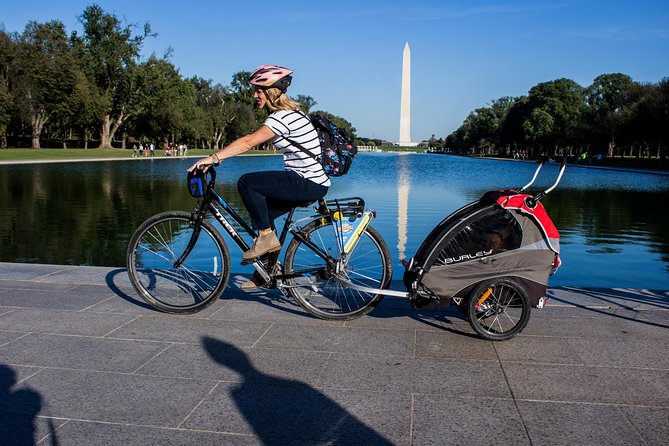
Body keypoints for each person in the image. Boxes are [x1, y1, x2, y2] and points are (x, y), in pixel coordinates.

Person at [188, 64, 330, 288]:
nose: (254, 95)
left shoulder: (281, 118)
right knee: (263, 216)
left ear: (271, 90)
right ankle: (269, 271)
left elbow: (247, 142)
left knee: (247, 183)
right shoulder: (291, 114)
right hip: (311, 182)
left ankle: (265, 239)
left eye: (258, 90)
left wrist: (213, 158)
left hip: (306, 181)